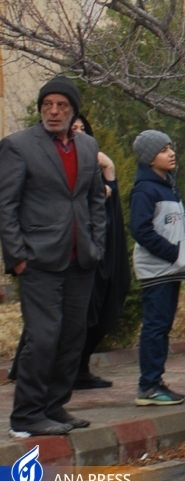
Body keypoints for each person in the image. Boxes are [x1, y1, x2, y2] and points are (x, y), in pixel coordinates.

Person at [0, 77, 106, 436]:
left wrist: (97, 244)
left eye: (61, 105)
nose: (54, 111)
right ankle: (26, 416)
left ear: (73, 109)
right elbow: (6, 205)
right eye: (48, 104)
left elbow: (95, 200)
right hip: (39, 262)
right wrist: (17, 257)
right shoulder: (17, 146)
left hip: (81, 260)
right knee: (44, 337)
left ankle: (54, 406)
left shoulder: (88, 146)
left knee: (72, 337)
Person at [129, 130, 185, 406]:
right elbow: (140, 229)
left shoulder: (167, 185)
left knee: (163, 325)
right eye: (163, 150)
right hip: (157, 270)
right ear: (149, 157)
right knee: (156, 327)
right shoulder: (145, 189)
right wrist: (173, 253)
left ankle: (155, 381)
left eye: (171, 147)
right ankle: (148, 385)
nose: (171, 153)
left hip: (170, 269)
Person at [71, 114, 131, 389]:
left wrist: (109, 169)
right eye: (75, 130)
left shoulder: (96, 163)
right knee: (80, 314)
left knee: (105, 306)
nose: (80, 134)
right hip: (77, 251)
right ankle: (67, 371)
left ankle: (81, 368)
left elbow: (110, 204)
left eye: (84, 129)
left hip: (103, 248)